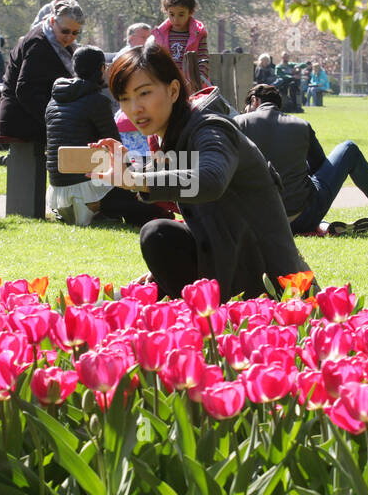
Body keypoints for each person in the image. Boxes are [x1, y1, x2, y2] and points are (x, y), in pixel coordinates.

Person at [90, 40, 312, 300]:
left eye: (144, 93)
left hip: (269, 282)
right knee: (161, 236)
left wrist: (135, 178)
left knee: (157, 232)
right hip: (229, 257)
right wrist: (129, 169)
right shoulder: (176, 135)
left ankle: (206, 314)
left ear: (173, 91)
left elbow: (210, 181)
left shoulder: (211, 129)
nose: (134, 108)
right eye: (124, 99)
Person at [236, 83, 368, 236]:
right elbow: (319, 166)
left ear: (254, 100)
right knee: (348, 148)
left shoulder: (239, 124)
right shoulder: (301, 125)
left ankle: (324, 227)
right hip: (303, 216)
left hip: (258, 222)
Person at [45, 45, 174, 228]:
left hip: (58, 189)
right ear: (101, 69)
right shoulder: (96, 101)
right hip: (88, 188)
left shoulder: (53, 102)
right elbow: (115, 145)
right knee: (141, 193)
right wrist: (133, 174)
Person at [0, 0, 85, 154]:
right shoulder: (38, 44)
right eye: (65, 31)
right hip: (20, 119)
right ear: (52, 21)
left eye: (75, 33)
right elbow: (25, 91)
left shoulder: (62, 44)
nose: (69, 37)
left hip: (36, 117)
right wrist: (57, 121)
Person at [151, 0, 209, 90]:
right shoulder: (159, 35)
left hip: (192, 87)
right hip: (167, 85)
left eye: (181, 15)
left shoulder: (198, 34)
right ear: (166, 11)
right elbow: (155, 60)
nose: (176, 19)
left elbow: (203, 59)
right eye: (171, 14)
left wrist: (198, 78)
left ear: (190, 12)